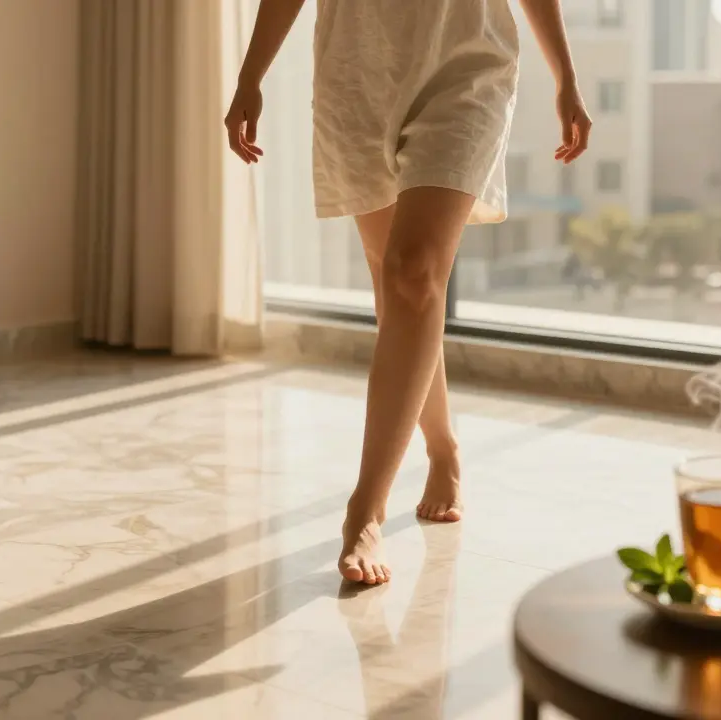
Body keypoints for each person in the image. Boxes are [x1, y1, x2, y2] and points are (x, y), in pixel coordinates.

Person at [226, 0, 592, 585]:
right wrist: (250, 76)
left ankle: (365, 508)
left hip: (467, 64)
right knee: (395, 282)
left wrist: (566, 77)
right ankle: (443, 446)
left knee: (413, 272)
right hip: (358, 71)